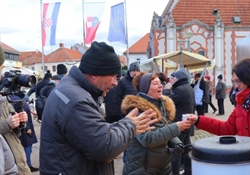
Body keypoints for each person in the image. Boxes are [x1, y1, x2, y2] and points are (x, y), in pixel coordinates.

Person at [39, 41, 158, 175]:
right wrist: (130, 126)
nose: (115, 82)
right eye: (113, 76)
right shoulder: (76, 101)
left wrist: (123, 125)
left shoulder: (71, 90)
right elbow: (104, 147)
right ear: (95, 74)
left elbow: (94, 133)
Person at [121, 72, 194, 175]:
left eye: (160, 83)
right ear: (146, 88)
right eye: (155, 83)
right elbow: (148, 139)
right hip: (142, 169)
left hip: (162, 167)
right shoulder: (137, 110)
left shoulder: (162, 105)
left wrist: (176, 143)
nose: (161, 85)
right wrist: (177, 127)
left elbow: (164, 128)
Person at [0, 44, 30, 174]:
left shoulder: (2, 96)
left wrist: (18, 122)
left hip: (18, 166)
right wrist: (6, 124)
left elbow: (14, 134)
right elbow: (5, 126)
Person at [163, 69, 195, 175]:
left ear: (178, 79)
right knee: (187, 150)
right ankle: (188, 171)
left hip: (179, 125)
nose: (170, 80)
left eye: (172, 78)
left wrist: (167, 90)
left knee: (176, 151)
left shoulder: (180, 90)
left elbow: (167, 102)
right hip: (187, 123)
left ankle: (176, 173)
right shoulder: (188, 88)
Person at [19, 101, 38, 172]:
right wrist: (28, 127)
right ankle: (28, 165)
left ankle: (27, 164)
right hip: (26, 130)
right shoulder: (18, 100)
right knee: (27, 147)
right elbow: (22, 114)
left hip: (25, 129)